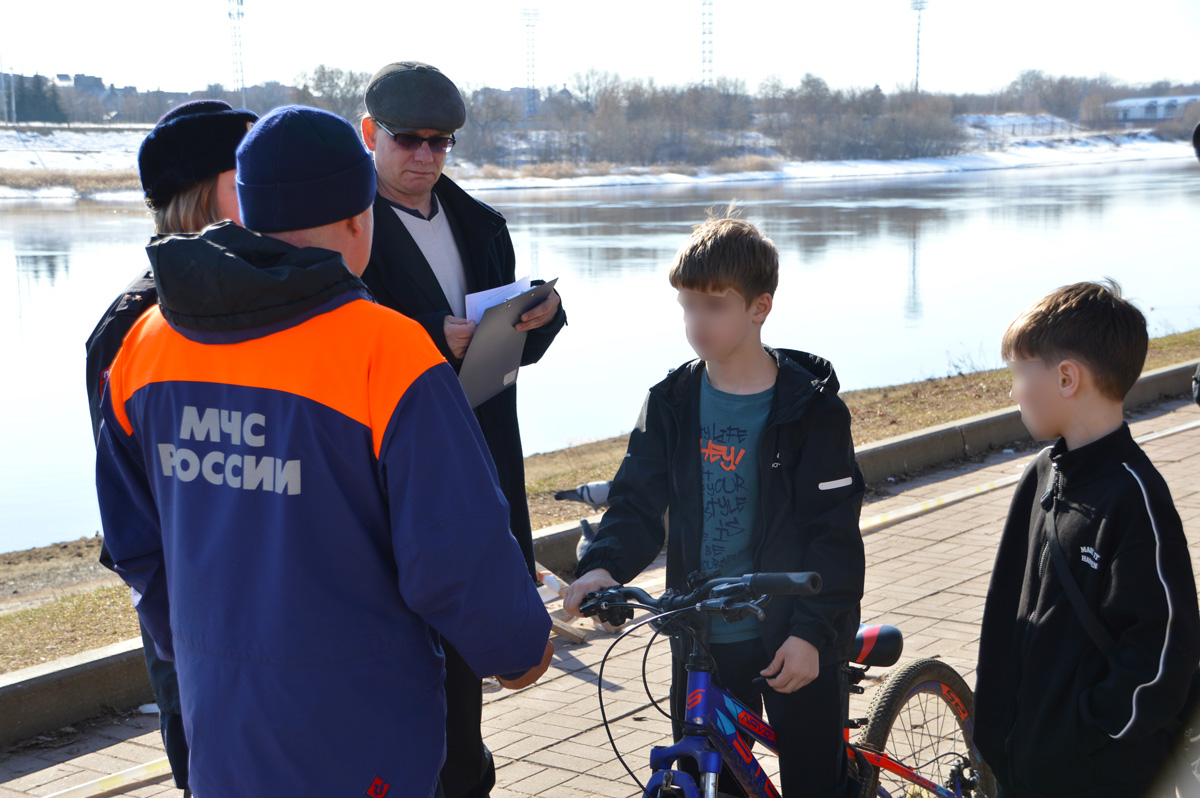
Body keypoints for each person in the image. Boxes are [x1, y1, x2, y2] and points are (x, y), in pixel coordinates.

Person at [94, 105, 553, 798]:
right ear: (358, 215)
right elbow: (456, 548)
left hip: (223, 734)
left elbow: (134, 545)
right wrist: (520, 651)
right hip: (361, 742)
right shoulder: (386, 349)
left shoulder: (146, 343)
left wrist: (198, 647)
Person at [563, 210, 866, 797]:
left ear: (760, 307)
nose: (696, 321)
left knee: (815, 785)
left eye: (715, 304)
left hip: (790, 634)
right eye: (687, 306)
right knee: (712, 783)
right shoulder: (673, 400)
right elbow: (636, 499)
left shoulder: (812, 410)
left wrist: (811, 632)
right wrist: (603, 565)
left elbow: (833, 534)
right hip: (701, 634)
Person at [359, 61, 566, 798]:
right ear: (369, 134)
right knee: (399, 669)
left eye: (440, 142)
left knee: (460, 688)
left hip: (478, 463)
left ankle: (461, 777)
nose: (425, 156)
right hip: (384, 483)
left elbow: (500, 350)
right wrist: (425, 339)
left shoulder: (481, 224)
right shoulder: (342, 229)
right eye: (408, 139)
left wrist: (539, 317)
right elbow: (338, 340)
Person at [84, 98, 258, 795]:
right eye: (246, 172)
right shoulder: (136, 325)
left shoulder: (259, 297)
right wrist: (181, 632)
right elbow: (134, 515)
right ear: (198, 195)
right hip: (195, 626)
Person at [973, 280, 1200, 797]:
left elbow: (1164, 646)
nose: (1013, 391)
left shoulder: (1136, 496)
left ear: (1067, 378)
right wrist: (995, 731)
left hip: (1096, 775)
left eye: (1019, 374)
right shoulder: (1042, 475)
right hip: (1024, 764)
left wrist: (1091, 730)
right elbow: (1006, 609)